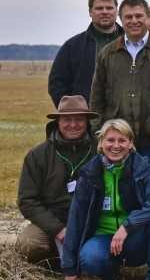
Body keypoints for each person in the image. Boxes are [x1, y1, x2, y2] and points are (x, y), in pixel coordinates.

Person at [89, 0, 150, 243]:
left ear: (146, 17)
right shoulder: (109, 53)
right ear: (121, 19)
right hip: (118, 143)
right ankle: (124, 244)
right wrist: (98, 130)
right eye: (128, 17)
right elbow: (97, 97)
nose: (133, 21)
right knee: (122, 192)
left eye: (138, 16)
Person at [60, 119, 150, 280]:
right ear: (101, 143)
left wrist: (128, 226)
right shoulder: (89, 173)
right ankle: (111, 277)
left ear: (130, 143)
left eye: (122, 140)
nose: (116, 146)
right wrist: (70, 270)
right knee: (89, 258)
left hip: (134, 240)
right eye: (110, 140)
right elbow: (76, 220)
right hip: (103, 238)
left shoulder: (142, 168)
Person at [17, 96, 98, 267]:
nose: (73, 125)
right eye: (67, 119)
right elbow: (27, 201)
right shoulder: (37, 155)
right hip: (53, 220)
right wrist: (58, 230)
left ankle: (87, 259)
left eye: (79, 119)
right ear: (58, 121)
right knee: (29, 244)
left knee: (99, 254)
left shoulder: (101, 150)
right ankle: (55, 263)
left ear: (87, 121)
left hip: (92, 219)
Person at [49, 0, 122, 105]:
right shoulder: (72, 47)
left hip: (126, 120)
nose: (105, 12)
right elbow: (57, 84)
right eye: (99, 8)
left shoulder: (133, 42)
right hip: (87, 119)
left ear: (117, 11)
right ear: (90, 12)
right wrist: (74, 113)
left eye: (109, 8)